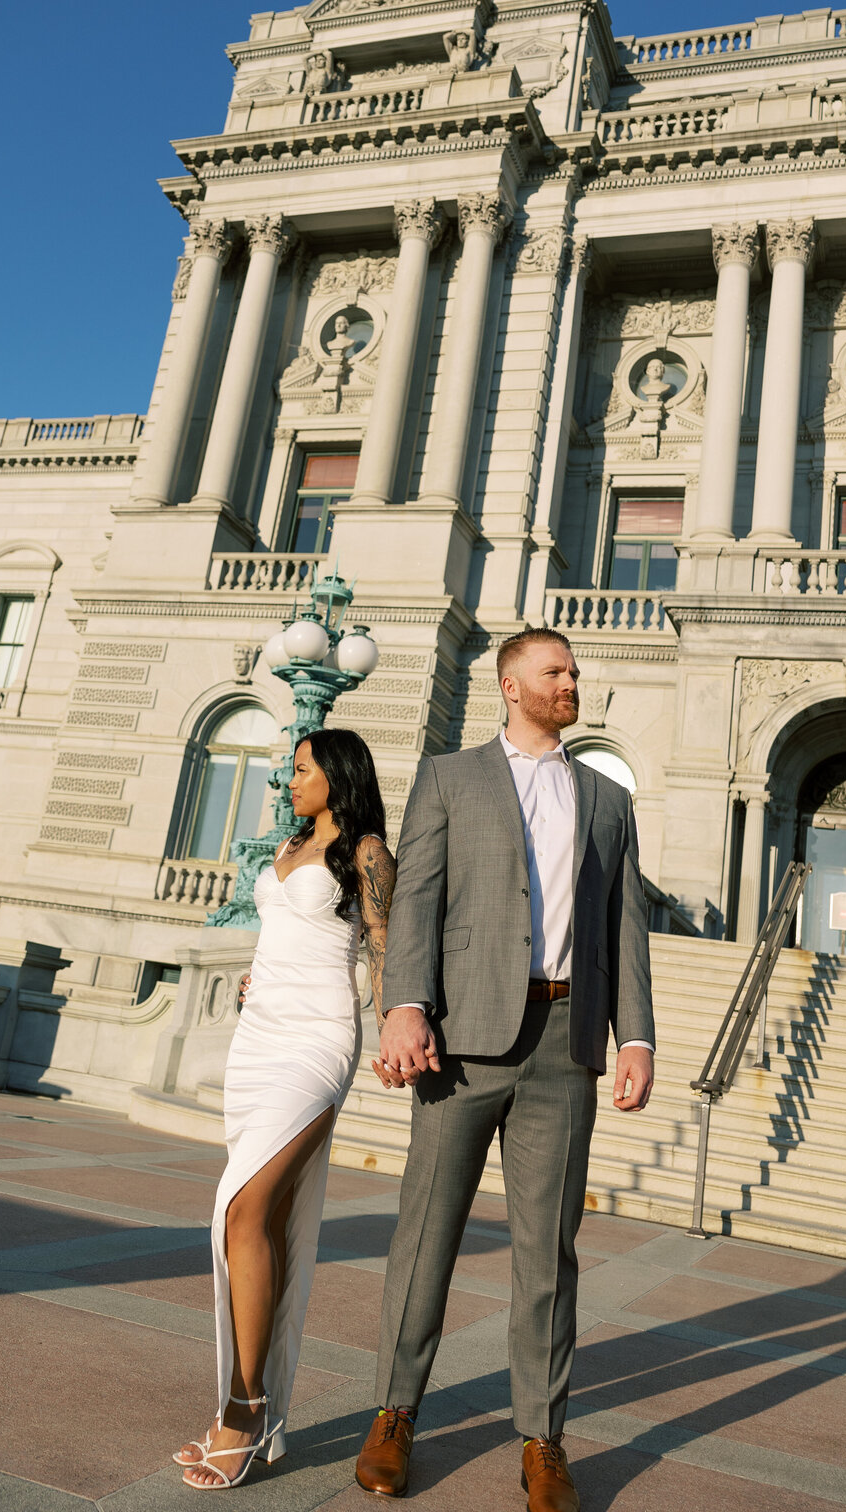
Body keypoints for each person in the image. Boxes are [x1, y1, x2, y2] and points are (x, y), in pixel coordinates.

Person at [354, 629, 655, 1512]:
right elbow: (416, 902)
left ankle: (543, 1440)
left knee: (549, 1255)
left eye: (573, 673)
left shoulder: (607, 798)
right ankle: (395, 1414)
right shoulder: (451, 777)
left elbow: (624, 926)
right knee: (426, 1236)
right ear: (513, 684)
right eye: (556, 672)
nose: (572, 683)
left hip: (566, 1044)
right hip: (462, 1042)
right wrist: (403, 1003)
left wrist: (633, 1037)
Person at [177, 728, 394, 1490]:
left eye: (300, 768)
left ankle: (247, 1407)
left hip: (316, 1043)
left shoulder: (364, 851)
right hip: (258, 1038)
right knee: (256, 1224)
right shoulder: (291, 840)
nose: (288, 777)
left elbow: (380, 944)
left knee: (240, 1210)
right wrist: (253, 981)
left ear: (335, 774)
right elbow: (281, 931)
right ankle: (241, 1409)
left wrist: (395, 1021)